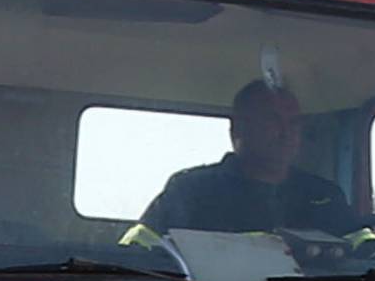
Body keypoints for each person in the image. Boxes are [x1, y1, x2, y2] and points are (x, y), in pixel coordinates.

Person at [137, 80, 354, 237]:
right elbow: (137, 252)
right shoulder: (191, 191)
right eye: (273, 120)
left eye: (294, 123)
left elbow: (369, 256)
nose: (286, 132)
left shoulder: (324, 196)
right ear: (238, 128)